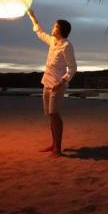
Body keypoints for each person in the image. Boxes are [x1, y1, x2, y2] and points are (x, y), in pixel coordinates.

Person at [27, 9, 77, 157]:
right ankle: (53, 144)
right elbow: (39, 31)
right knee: (50, 115)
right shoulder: (53, 41)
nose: (52, 27)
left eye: (55, 26)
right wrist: (32, 15)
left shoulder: (67, 46)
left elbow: (73, 68)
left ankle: (58, 148)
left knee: (55, 114)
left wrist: (61, 82)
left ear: (61, 30)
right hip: (47, 82)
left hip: (57, 85)